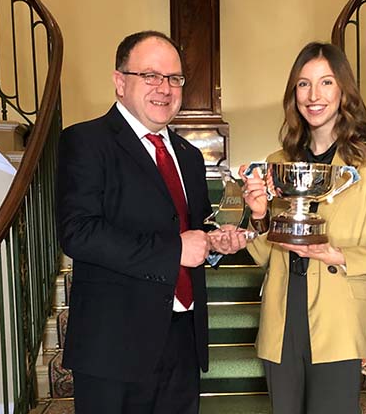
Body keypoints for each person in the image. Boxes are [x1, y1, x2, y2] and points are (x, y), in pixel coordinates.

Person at [56, 30, 246, 414]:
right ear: (119, 81)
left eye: (174, 78)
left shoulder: (189, 156)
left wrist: (214, 244)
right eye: (151, 76)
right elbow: (78, 233)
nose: (165, 88)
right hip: (114, 348)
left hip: (182, 338)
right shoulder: (86, 141)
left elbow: (190, 228)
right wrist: (177, 248)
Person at [239, 42, 366, 413]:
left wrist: (339, 254)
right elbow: (261, 255)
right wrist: (258, 216)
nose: (314, 95)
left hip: (340, 318)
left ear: (343, 91)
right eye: (303, 85)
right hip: (282, 317)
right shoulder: (278, 162)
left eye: (326, 83)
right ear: (294, 94)